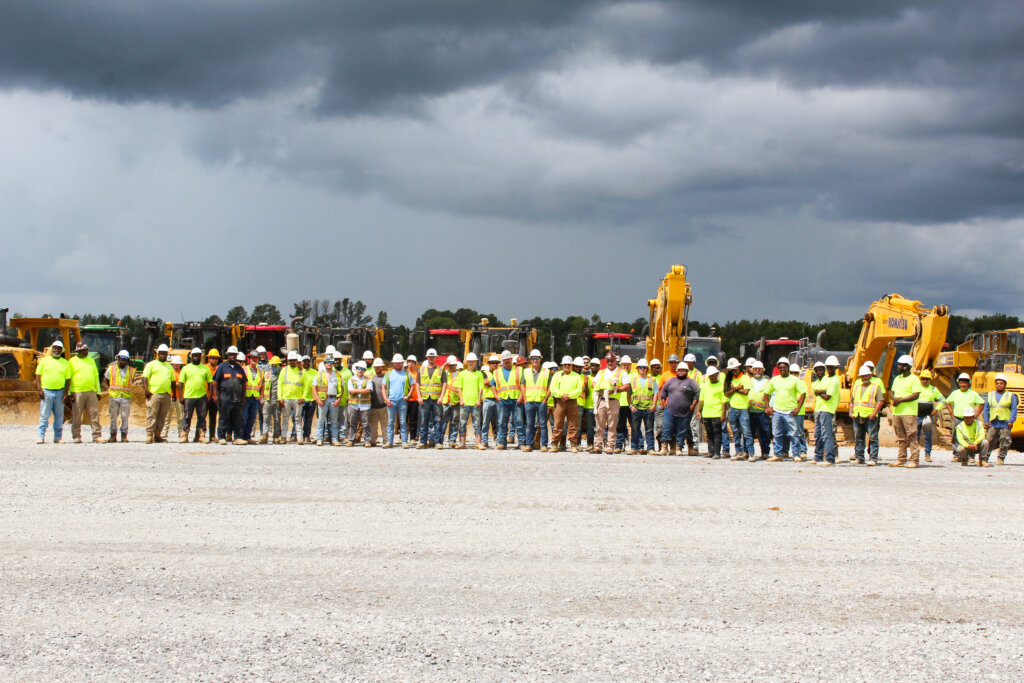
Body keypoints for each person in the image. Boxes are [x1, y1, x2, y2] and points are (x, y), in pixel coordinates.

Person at [763, 357, 804, 462]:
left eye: (784, 367)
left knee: (794, 434)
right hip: (777, 411)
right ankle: (778, 454)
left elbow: (803, 393)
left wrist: (798, 408)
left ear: (788, 368)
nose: (782, 369)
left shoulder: (794, 380)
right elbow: (766, 393)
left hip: (790, 412)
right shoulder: (774, 380)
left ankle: (796, 454)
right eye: (780, 367)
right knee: (777, 434)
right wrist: (768, 407)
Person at [889, 354, 923, 468]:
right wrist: (894, 399)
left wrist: (901, 400)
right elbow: (891, 392)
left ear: (906, 367)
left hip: (908, 412)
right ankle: (901, 459)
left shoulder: (914, 379)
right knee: (901, 438)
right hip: (897, 412)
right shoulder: (897, 379)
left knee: (912, 436)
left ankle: (914, 460)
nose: (898, 367)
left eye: (900, 365)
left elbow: (915, 395)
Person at [593, 353, 631, 454]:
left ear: (616, 361)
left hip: (613, 401)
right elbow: (593, 383)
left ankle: (610, 446)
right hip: (601, 400)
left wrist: (617, 390)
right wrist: (602, 387)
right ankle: (597, 446)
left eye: (612, 361)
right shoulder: (602, 372)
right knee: (599, 423)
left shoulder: (621, 372)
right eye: (608, 361)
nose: (610, 363)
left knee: (612, 425)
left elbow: (627, 386)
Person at [658, 362, 700, 454]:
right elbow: (663, 391)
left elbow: (697, 394)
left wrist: (693, 405)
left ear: (687, 371)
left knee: (681, 430)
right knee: (666, 428)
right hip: (670, 409)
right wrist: (663, 401)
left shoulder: (691, 382)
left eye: (683, 370)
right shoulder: (671, 380)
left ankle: (678, 448)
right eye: (679, 370)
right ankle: (664, 448)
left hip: (685, 411)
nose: (681, 372)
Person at [35, 339, 71, 444]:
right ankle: (41, 437)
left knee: (59, 416)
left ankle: (58, 437)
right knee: (44, 415)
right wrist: (39, 389)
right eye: (55, 348)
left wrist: (66, 393)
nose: (56, 350)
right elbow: (38, 375)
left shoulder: (65, 363)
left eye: (59, 349)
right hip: (47, 392)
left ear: (61, 350)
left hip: (60, 392)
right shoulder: (44, 361)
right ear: (52, 349)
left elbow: (68, 379)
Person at [850, 364, 885, 465]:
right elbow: (852, 401)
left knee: (873, 438)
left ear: (870, 376)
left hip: (870, 416)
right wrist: (851, 412)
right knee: (859, 438)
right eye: (863, 376)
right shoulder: (857, 387)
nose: (864, 378)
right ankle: (859, 457)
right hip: (858, 415)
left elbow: (880, 401)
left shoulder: (875, 387)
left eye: (866, 376)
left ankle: (873, 458)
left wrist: (874, 413)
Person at [212, 347, 248, 445]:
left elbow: (243, 384)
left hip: (237, 398)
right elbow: (216, 382)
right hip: (225, 397)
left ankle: (237, 438)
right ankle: (221, 437)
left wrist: (244, 398)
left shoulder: (239, 368)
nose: (232, 356)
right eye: (231, 354)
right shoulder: (222, 367)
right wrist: (216, 395)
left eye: (234, 355)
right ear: (227, 355)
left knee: (237, 418)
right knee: (224, 418)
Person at [945, 373, 983, 461]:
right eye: (961, 383)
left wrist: (976, 415)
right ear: (959, 383)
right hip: (958, 418)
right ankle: (957, 455)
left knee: (971, 436)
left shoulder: (973, 393)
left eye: (965, 383)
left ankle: (971, 456)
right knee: (955, 437)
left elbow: (982, 403)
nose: (963, 384)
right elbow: (948, 402)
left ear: (968, 383)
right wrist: (951, 413)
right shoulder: (955, 393)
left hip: (970, 419)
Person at [548, 355, 583, 453]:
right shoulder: (557, 375)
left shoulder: (576, 376)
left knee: (573, 423)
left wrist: (569, 396)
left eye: (569, 364)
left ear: (571, 365)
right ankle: (555, 444)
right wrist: (561, 395)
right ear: (562, 365)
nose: (567, 366)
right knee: (558, 423)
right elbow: (552, 388)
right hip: (560, 401)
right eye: (565, 364)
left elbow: (579, 389)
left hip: (572, 401)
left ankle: (573, 445)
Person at [69, 341, 102, 443]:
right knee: (77, 415)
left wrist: (98, 391)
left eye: (86, 350)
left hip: (91, 391)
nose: (86, 352)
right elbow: (68, 378)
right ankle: (76, 436)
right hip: (77, 391)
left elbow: (96, 376)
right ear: (78, 351)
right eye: (83, 350)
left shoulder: (91, 360)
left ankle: (97, 436)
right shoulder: (72, 361)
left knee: (94, 414)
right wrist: (70, 392)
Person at [811, 356, 842, 466]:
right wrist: (821, 391)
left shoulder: (834, 380)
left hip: (827, 409)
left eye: (831, 367)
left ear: (835, 368)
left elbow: (827, 396)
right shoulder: (826, 379)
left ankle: (830, 459)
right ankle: (818, 457)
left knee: (827, 434)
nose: (829, 368)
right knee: (818, 434)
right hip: (819, 409)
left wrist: (820, 392)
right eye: (828, 367)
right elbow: (817, 390)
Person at [142, 344, 175, 444]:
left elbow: (172, 381)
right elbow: (144, 378)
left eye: (165, 354)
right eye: (162, 354)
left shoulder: (169, 366)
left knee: (162, 416)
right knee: (152, 414)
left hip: (166, 394)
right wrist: (146, 390)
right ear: (158, 354)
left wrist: (173, 394)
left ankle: (157, 435)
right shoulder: (151, 364)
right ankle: (149, 435)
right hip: (154, 394)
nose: (164, 356)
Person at [177, 347, 212, 443]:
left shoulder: (205, 369)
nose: (197, 357)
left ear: (201, 357)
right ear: (191, 356)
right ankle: (184, 435)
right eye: (195, 355)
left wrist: (209, 395)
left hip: (202, 396)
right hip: (189, 396)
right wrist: (180, 396)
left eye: (198, 356)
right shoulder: (186, 368)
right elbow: (181, 383)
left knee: (202, 416)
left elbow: (210, 383)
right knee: (187, 416)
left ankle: (201, 436)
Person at [982, 373, 1017, 466]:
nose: (999, 385)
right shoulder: (990, 395)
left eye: (1001, 383)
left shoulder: (1010, 395)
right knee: (989, 440)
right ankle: (984, 458)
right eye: (997, 383)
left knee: (1005, 441)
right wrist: (986, 421)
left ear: (1005, 385)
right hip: (993, 422)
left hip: (1005, 422)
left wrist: (1011, 421)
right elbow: (986, 409)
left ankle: (1001, 458)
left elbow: (1014, 409)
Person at [493, 350, 524, 451]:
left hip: (516, 400)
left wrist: (521, 397)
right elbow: (492, 384)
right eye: (505, 360)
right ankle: (502, 443)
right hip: (503, 400)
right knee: (502, 422)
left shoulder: (519, 370)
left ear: (511, 359)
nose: (507, 361)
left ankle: (522, 443)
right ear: (503, 361)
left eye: (508, 359)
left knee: (519, 422)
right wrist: (496, 396)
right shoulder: (497, 372)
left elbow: (524, 384)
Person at [521, 349, 551, 453]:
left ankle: (544, 445)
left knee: (542, 424)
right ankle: (528, 445)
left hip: (541, 401)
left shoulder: (546, 372)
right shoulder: (526, 371)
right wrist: (525, 399)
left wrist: (545, 399)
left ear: (540, 359)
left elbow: (550, 387)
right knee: (529, 424)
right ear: (530, 360)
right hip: (529, 402)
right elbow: (523, 385)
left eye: (536, 358)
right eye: (533, 358)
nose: (535, 360)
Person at [723, 357, 753, 460]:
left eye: (735, 368)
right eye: (732, 369)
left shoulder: (745, 378)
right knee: (735, 432)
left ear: (739, 367)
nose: (734, 371)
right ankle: (738, 452)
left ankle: (750, 453)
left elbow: (746, 392)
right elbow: (727, 393)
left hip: (743, 408)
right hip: (732, 408)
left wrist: (733, 389)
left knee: (746, 432)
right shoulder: (729, 379)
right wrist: (737, 388)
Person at [104, 350, 136, 442]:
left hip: (125, 396)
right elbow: (106, 379)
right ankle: (113, 435)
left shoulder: (131, 370)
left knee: (125, 417)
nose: (123, 361)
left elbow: (131, 381)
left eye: (125, 359)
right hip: (114, 396)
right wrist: (110, 388)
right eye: (122, 359)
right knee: (113, 416)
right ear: (118, 358)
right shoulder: (111, 369)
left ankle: (124, 436)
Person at [313, 354, 345, 446]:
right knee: (321, 420)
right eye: (327, 362)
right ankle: (319, 439)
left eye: (331, 362)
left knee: (334, 421)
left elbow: (341, 389)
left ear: (333, 364)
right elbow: (314, 387)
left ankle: (334, 439)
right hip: (323, 399)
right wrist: (318, 399)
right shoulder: (319, 374)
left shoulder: (338, 375)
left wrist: (339, 399)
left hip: (333, 399)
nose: (329, 364)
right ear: (324, 363)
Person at [627, 358, 657, 455]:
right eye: (640, 367)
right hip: (636, 408)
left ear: (647, 369)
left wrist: (653, 405)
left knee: (649, 429)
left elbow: (656, 393)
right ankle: (634, 448)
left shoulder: (652, 380)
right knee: (635, 429)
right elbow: (629, 393)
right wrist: (630, 405)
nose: (642, 369)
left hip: (648, 408)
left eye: (644, 367)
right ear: (638, 368)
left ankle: (651, 448)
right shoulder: (633, 380)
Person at [696, 365, 727, 459]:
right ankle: (711, 451)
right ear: (708, 376)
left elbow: (724, 401)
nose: (713, 377)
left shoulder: (721, 385)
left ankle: (717, 453)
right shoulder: (705, 386)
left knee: (717, 433)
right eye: (711, 375)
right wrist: (698, 411)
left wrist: (723, 414)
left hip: (717, 413)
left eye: (714, 375)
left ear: (717, 375)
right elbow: (701, 400)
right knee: (709, 433)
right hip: (706, 413)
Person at [416, 348, 445, 449]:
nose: (431, 358)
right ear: (427, 357)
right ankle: (423, 442)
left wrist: (441, 397)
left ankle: (438, 442)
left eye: (433, 356)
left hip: (436, 399)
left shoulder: (441, 370)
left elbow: (444, 384)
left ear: (436, 357)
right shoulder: (421, 369)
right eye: (430, 356)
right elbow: (417, 384)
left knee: (438, 420)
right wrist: (419, 396)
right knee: (424, 421)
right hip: (424, 399)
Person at [457, 353, 485, 449]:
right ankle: (462, 443)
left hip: (475, 403)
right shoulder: (462, 374)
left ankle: (478, 443)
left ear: (476, 362)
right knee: (462, 423)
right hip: (464, 402)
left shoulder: (479, 374)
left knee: (477, 423)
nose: (471, 363)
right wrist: (461, 400)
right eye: (469, 361)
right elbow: (459, 388)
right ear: (467, 362)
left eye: (473, 361)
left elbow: (480, 388)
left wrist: (478, 400)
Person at [383, 353, 412, 449]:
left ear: (402, 363)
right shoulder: (388, 374)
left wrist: (407, 396)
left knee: (403, 422)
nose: (398, 365)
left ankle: (404, 441)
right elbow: (383, 387)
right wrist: (386, 399)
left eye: (399, 363)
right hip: (391, 401)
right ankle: (389, 442)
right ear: (393, 364)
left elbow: (412, 386)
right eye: (396, 363)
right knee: (390, 422)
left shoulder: (407, 373)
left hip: (402, 401)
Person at [916, 370, 945, 463]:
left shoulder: (933, 389)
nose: (925, 381)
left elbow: (942, 400)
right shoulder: (917, 388)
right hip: (917, 416)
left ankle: (927, 455)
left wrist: (936, 409)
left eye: (927, 379)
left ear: (930, 380)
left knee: (927, 436)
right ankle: (914, 454)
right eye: (923, 379)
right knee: (915, 436)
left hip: (927, 417)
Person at [277, 351, 306, 443]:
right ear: (288, 361)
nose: (292, 362)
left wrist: (303, 397)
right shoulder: (284, 370)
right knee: (285, 418)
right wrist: (280, 398)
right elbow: (280, 385)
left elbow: (305, 386)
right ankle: (283, 437)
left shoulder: (301, 371)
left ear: (297, 361)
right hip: (286, 398)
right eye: (291, 360)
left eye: (294, 360)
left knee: (297, 419)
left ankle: (300, 438)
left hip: (298, 399)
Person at [747, 361, 771, 459]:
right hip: (750, 411)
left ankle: (765, 452)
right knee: (749, 433)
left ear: (763, 371)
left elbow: (772, 395)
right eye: (755, 369)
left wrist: (769, 407)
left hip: (762, 412)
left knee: (764, 433)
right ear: (752, 370)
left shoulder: (767, 381)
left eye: (759, 369)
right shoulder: (748, 381)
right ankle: (749, 452)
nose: (757, 371)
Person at [345, 361, 372, 446]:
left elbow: (368, 390)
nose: (360, 370)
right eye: (359, 369)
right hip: (354, 405)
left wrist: (356, 391)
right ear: (356, 369)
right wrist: (362, 391)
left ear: (364, 370)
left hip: (365, 405)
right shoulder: (351, 379)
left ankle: (367, 441)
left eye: (362, 369)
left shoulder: (368, 380)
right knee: (352, 423)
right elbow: (350, 391)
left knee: (366, 423)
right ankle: (351, 440)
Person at [160, 354, 186, 442]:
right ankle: (164, 431)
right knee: (167, 416)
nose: (176, 365)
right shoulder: (170, 372)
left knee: (181, 416)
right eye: (175, 363)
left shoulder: (182, 372)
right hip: (171, 396)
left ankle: (181, 431)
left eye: (178, 363)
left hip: (180, 397)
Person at [438, 356, 461, 448]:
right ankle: (440, 440)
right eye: (449, 365)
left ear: (456, 364)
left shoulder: (460, 375)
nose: (451, 367)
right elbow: (438, 372)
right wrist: (444, 364)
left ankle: (452, 440)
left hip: (456, 402)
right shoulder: (445, 373)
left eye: (452, 365)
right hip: (445, 401)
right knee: (443, 421)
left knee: (455, 421)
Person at [682, 353, 703, 454]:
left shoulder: (697, 374)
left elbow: (700, 391)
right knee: (682, 424)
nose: (687, 364)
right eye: (686, 362)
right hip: (683, 402)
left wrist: (698, 406)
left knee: (693, 424)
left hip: (693, 402)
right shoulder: (682, 372)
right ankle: (682, 444)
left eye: (689, 362)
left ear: (693, 363)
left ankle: (695, 445)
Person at [615, 355, 637, 452]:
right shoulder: (617, 375)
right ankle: (619, 445)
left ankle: (633, 445)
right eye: (624, 365)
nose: (626, 366)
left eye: (628, 365)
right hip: (620, 403)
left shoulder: (635, 375)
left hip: (632, 404)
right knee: (620, 426)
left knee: (634, 425)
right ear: (620, 365)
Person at [241, 352, 265, 443]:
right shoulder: (244, 369)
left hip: (255, 398)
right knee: (244, 418)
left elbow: (262, 384)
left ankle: (247, 437)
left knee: (251, 418)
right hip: (246, 397)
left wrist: (261, 395)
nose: (254, 360)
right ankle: (241, 436)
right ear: (249, 359)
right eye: (253, 358)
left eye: (256, 358)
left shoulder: (261, 372)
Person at [479, 355, 501, 448]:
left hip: (498, 400)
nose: (495, 365)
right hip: (487, 399)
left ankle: (498, 440)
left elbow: (494, 383)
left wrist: (490, 383)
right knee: (485, 422)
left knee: (498, 422)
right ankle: (484, 441)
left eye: (496, 363)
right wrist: (494, 383)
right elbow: (484, 382)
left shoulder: (500, 373)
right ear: (489, 364)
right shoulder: (484, 372)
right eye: (493, 363)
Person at [260, 355, 282, 444]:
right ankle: (265, 435)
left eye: (276, 365)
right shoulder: (266, 373)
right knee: (266, 418)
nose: (275, 367)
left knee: (277, 418)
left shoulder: (281, 374)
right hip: (267, 399)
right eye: (273, 365)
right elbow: (262, 385)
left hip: (277, 400)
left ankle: (276, 436)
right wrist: (262, 398)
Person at [366, 358, 388, 447]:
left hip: (383, 406)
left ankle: (386, 441)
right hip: (373, 406)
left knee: (385, 425)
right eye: (376, 366)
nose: (378, 368)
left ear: (382, 367)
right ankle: (373, 440)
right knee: (373, 426)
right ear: (374, 367)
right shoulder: (371, 378)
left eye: (380, 366)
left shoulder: (386, 377)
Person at [576, 357, 595, 450]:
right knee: (577, 425)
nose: (578, 368)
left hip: (584, 403)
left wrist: (586, 387)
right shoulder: (571, 375)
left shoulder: (585, 377)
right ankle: (577, 443)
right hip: (575, 403)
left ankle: (590, 444)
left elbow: (587, 392)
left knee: (588, 425)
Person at [205, 349, 222, 442]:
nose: (214, 360)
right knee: (202, 416)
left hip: (215, 397)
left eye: (216, 358)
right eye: (212, 358)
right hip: (206, 396)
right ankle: (199, 435)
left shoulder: (219, 368)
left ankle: (212, 435)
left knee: (213, 417)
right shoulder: (204, 368)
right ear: (208, 358)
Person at [300, 355, 316, 443]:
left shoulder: (314, 372)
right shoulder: (299, 372)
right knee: (299, 418)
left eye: (308, 361)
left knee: (308, 419)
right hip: (301, 399)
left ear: (310, 362)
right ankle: (298, 435)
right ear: (302, 363)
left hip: (311, 399)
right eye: (304, 361)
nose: (306, 363)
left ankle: (307, 435)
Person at [404, 354, 419, 443]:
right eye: (409, 362)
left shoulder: (417, 374)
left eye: (413, 362)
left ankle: (412, 438)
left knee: (413, 419)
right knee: (404, 419)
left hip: (414, 399)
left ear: (415, 364)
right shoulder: (403, 373)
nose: (411, 364)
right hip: (405, 399)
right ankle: (403, 437)